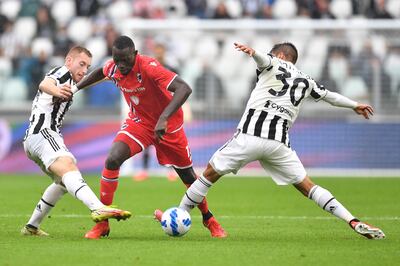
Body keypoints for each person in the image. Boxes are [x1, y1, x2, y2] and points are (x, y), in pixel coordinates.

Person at [155, 42, 385, 240]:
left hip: (250, 136)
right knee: (307, 186)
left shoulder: (275, 62)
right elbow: (330, 96)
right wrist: (355, 105)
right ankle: (352, 220)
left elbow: (265, 60)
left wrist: (254, 52)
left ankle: (178, 215)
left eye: (274, 54)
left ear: (282, 56)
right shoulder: (307, 81)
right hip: (278, 144)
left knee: (208, 175)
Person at [75, 36, 226, 239]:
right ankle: (103, 224)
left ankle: (209, 219)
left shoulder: (149, 67)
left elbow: (184, 88)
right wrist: (75, 89)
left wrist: (164, 118)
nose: (120, 65)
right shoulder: (113, 68)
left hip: (168, 126)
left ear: (135, 55)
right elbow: (99, 72)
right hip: (140, 124)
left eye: (125, 60)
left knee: (189, 177)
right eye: (116, 59)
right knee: (112, 159)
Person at [21, 46, 131, 237]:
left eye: (87, 66)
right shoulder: (61, 73)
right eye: (81, 64)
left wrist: (112, 73)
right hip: (43, 132)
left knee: (63, 182)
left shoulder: (72, 81)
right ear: (68, 61)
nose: (84, 70)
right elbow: (44, 84)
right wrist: (56, 91)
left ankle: (31, 227)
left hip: (34, 139)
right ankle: (97, 207)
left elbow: (89, 81)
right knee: (69, 166)